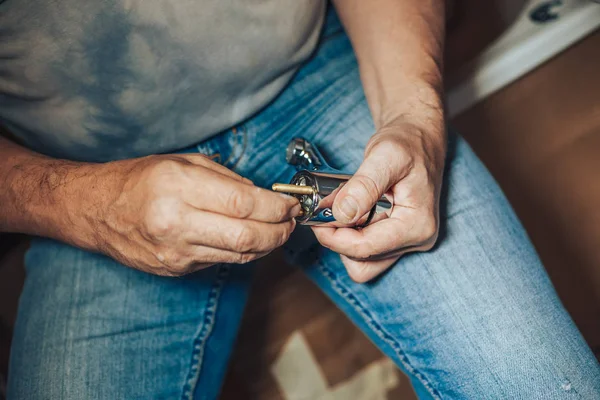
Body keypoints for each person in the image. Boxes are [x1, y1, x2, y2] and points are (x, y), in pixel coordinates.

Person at [1, 0, 598, 398]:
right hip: (83, 177)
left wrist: (412, 117)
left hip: (313, 69)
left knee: (541, 383)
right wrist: (90, 208)